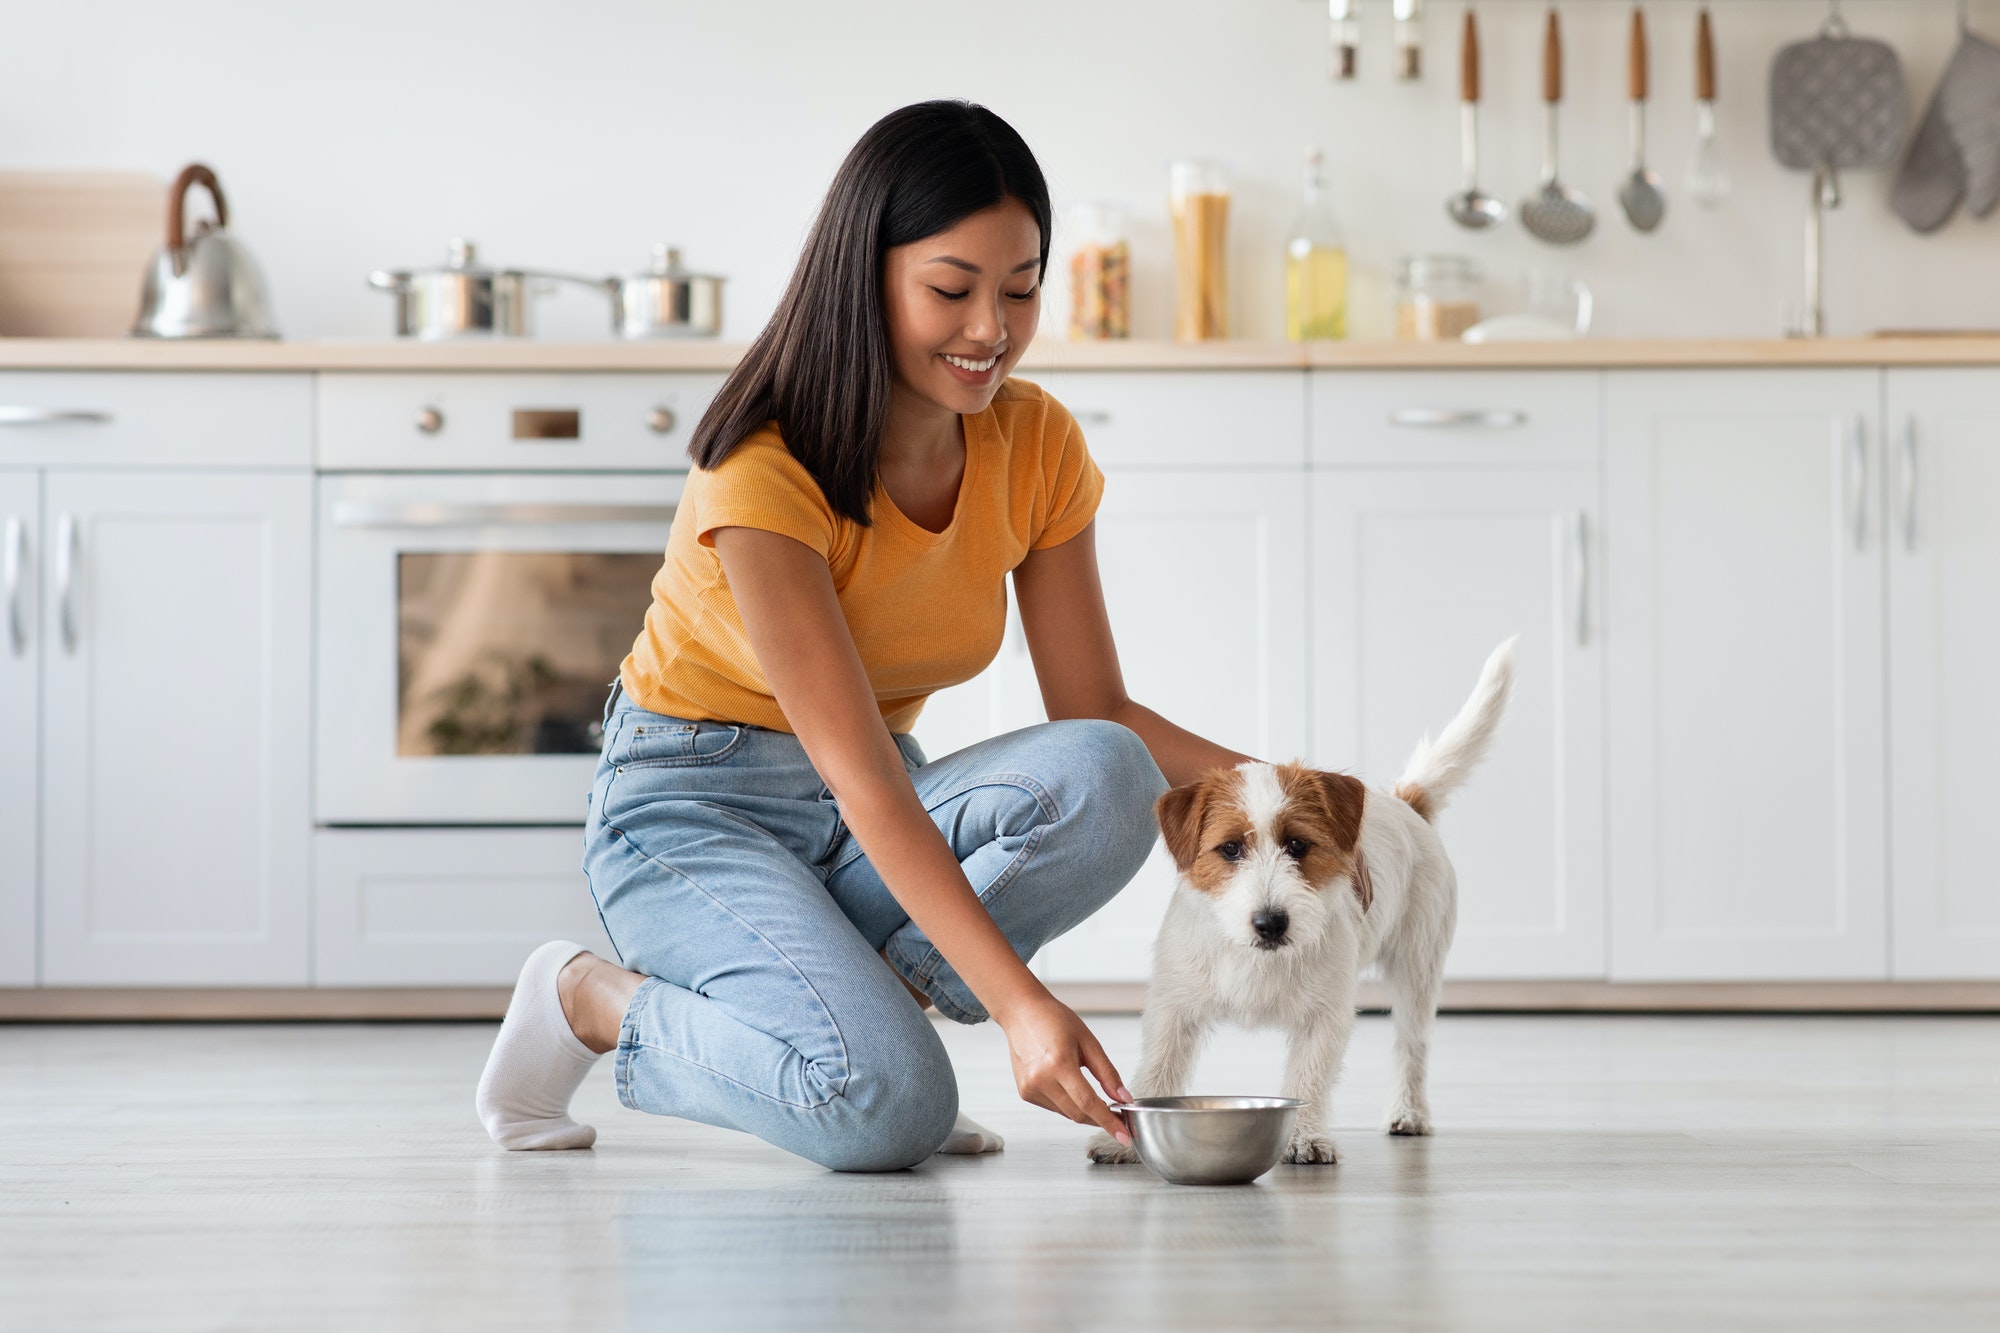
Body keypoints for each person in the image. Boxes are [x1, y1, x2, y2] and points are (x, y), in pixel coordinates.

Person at [475, 100, 1252, 1172]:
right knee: (885, 1113)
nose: (990, 329)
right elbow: (866, 784)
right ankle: (593, 1001)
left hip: (859, 811)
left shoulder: (1035, 444)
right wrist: (1021, 1006)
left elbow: (1097, 715)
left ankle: (862, 1031)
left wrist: (1297, 790)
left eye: (1019, 289)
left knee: (1111, 774)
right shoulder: (764, 460)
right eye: (950, 289)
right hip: (692, 811)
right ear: (865, 271)